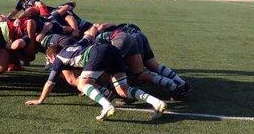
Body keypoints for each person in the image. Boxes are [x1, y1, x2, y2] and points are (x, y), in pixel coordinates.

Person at [25, 26, 167, 121]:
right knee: (123, 89)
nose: (50, 62)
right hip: (111, 50)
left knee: (82, 83)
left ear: (52, 56)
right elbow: (88, 36)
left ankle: (106, 106)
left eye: (49, 59)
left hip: (98, 53)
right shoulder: (75, 46)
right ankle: (157, 102)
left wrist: (40, 100)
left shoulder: (59, 59)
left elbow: (50, 83)